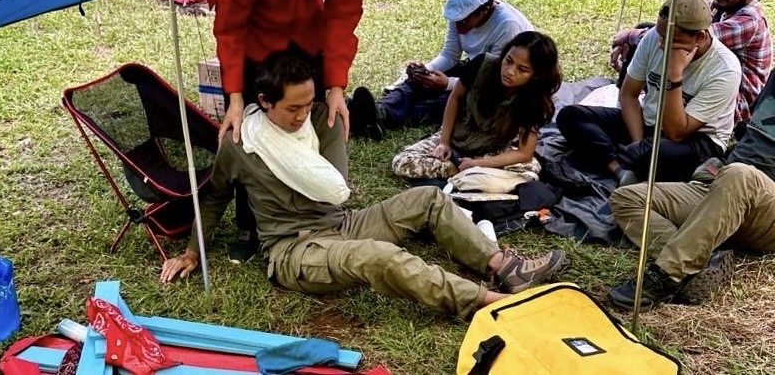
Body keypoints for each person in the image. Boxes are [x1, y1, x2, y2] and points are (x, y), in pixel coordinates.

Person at [160, 49, 567, 319]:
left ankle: (502, 266)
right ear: (265, 102)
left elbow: (336, 186)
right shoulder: (242, 143)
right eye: (292, 108)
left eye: (308, 103)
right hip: (293, 249)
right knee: (380, 257)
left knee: (428, 199)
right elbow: (212, 198)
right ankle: (484, 302)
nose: (303, 115)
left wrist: (329, 122)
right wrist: (193, 252)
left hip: (340, 224)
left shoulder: (321, 122)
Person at [208, 0, 371, 260]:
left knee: (310, 117)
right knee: (254, 133)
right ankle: (255, 227)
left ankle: (318, 214)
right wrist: (234, 98)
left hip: (306, 33)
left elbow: (343, 12)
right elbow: (229, 28)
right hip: (256, 41)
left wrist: (334, 86)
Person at [608, 72, 775, 311]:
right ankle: (702, 263)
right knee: (627, 198)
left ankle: (667, 275)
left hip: (765, 204)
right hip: (727, 188)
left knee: (741, 175)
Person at [558, 0, 741, 186]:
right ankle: (619, 169)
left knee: (657, 154)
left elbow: (677, 132)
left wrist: (674, 76)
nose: (661, 44)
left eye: (670, 39)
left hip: (695, 138)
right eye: (660, 35)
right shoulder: (655, 36)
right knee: (571, 116)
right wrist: (637, 144)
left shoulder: (725, 70)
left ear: (700, 37)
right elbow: (629, 94)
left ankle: (614, 156)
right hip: (648, 125)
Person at [350, 0, 533, 140]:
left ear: (483, 11)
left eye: (463, 21)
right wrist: (425, 70)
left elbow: (496, 78)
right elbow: (449, 55)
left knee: (447, 102)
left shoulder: (508, 26)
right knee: (416, 82)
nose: (458, 25)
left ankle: (380, 121)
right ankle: (380, 112)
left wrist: (447, 84)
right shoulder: (460, 15)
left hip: (503, 81)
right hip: (476, 67)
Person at [610, 0, 771, 124]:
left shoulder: (749, 21)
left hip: (734, 102)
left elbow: (684, 36)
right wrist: (636, 36)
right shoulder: (721, 4)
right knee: (647, 30)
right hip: (706, 80)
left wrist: (628, 35)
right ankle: (627, 103)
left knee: (658, 39)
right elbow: (672, 26)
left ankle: (631, 109)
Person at [391, 31, 560, 180]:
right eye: (508, 60)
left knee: (530, 171)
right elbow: (455, 98)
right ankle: (464, 172)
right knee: (402, 162)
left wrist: (479, 163)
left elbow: (525, 153)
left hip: (492, 148)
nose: (510, 71)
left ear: (536, 75)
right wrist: (444, 142)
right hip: (456, 136)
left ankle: (470, 172)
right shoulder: (482, 64)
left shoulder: (534, 99)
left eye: (522, 69)